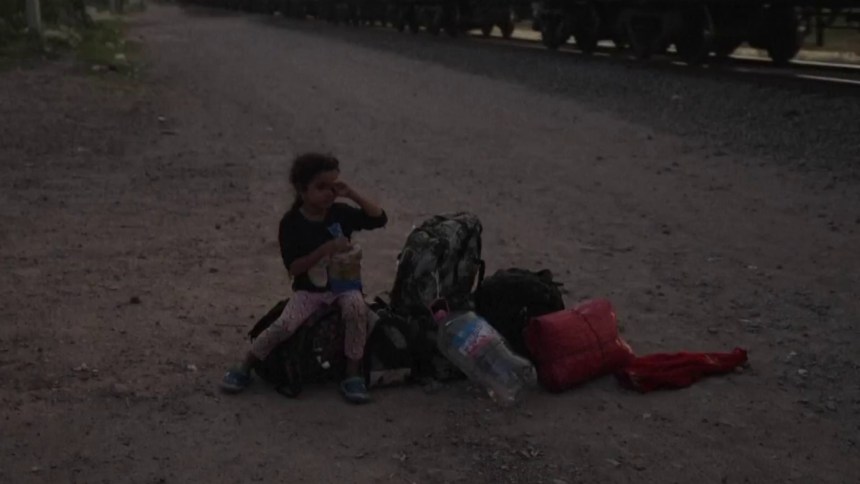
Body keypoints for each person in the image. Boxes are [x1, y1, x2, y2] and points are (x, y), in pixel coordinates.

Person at [220, 153, 388, 404]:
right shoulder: (292, 223)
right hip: (309, 291)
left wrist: (351, 194)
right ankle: (246, 365)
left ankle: (352, 374)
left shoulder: (339, 213)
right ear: (301, 189)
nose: (329, 193)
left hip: (344, 286)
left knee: (357, 311)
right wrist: (324, 250)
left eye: (332, 186)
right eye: (321, 187)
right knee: (285, 325)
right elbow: (295, 268)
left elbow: (379, 218)